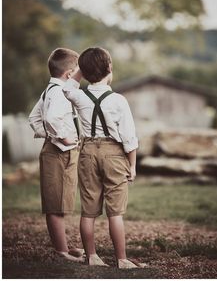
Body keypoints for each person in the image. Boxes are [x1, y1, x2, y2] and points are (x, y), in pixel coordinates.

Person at [62, 47, 139, 268]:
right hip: (113, 154)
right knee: (115, 212)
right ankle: (122, 260)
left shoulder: (78, 95)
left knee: (89, 210)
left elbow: (67, 88)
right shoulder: (118, 100)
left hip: (87, 153)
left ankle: (93, 256)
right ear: (110, 68)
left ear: (84, 72)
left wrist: (80, 71)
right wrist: (132, 165)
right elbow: (129, 137)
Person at [29, 47, 84, 262]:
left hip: (58, 151)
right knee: (55, 204)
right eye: (78, 71)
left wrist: (50, 136)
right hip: (59, 152)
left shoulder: (49, 90)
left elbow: (34, 118)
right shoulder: (59, 92)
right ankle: (61, 252)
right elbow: (50, 118)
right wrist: (61, 138)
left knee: (61, 201)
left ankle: (64, 247)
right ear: (69, 74)